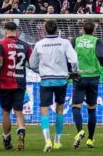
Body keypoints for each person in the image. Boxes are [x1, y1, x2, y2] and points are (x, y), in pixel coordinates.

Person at [29, 20, 79, 153]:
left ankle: (47, 141)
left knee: (44, 110)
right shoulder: (64, 42)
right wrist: (74, 71)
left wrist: (41, 71)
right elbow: (74, 60)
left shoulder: (39, 44)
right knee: (60, 109)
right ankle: (57, 141)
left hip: (46, 80)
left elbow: (32, 64)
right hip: (61, 80)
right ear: (57, 30)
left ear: (45, 30)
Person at [71, 21, 103, 149]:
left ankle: (80, 130)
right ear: (94, 30)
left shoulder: (75, 41)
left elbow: (69, 56)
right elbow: (100, 56)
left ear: (82, 29)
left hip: (79, 77)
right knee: (91, 108)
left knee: (76, 107)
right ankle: (90, 140)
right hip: (93, 78)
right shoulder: (96, 41)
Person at [0, 22, 32, 151]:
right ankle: (21, 131)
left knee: (6, 111)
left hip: (5, 82)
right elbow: (32, 63)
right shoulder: (25, 45)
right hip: (20, 82)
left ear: (5, 31)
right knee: (18, 111)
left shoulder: (1, 44)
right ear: (17, 31)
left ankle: (6, 138)